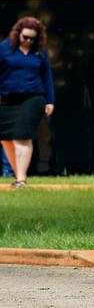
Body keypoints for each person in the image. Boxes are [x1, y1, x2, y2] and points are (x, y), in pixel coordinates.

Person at [0, 16, 55, 188]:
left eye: (33, 38)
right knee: (6, 138)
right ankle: (19, 177)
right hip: (8, 99)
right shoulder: (4, 48)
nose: (29, 41)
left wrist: (50, 101)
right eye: (26, 37)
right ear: (18, 34)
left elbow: (47, 76)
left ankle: (21, 180)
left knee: (22, 137)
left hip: (33, 97)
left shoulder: (40, 50)